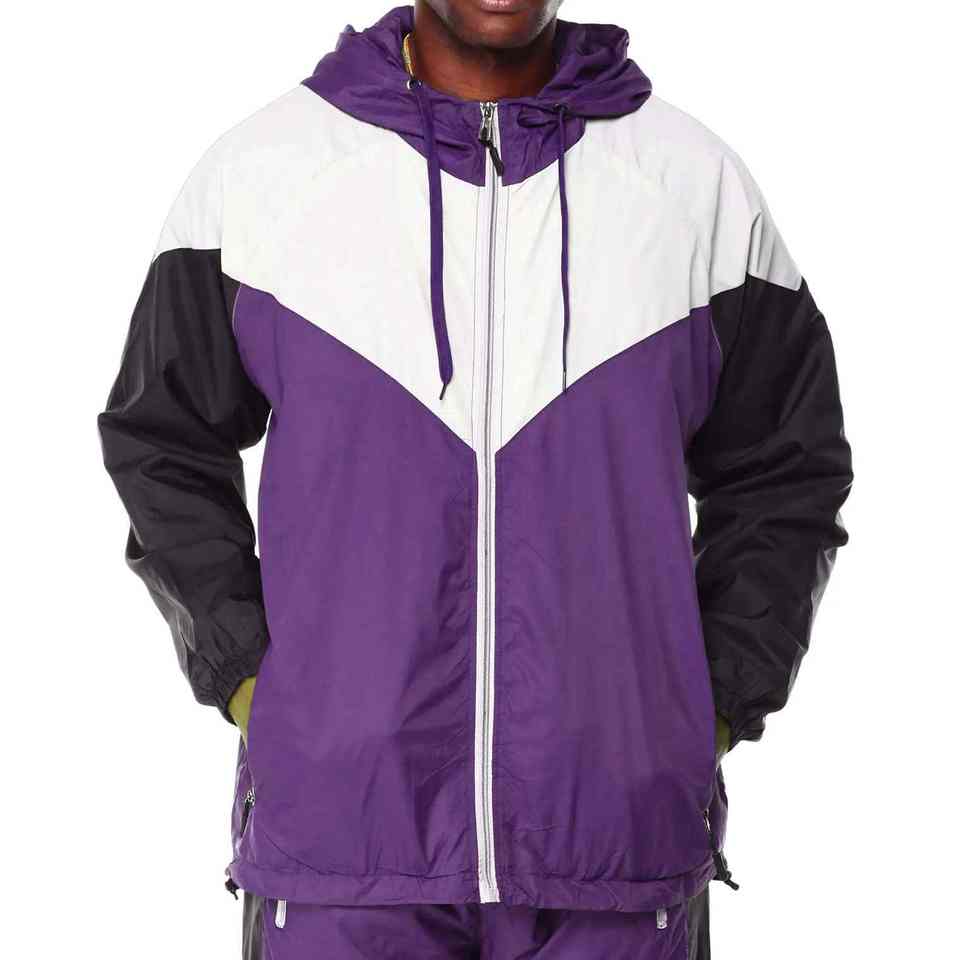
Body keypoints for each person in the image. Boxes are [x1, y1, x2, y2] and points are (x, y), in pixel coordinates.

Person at [98, 2, 853, 956]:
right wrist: (252, 679)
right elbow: (162, 442)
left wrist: (708, 707)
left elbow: (787, 471)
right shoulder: (263, 176)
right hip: (343, 851)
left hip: (616, 857)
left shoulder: (693, 188)